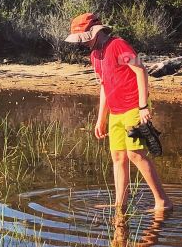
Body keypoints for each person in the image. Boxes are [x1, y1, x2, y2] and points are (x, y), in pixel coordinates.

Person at [65, 12, 171, 212]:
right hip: (115, 111)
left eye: (85, 38)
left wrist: (143, 106)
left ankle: (162, 201)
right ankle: (120, 204)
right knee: (118, 157)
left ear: (96, 32)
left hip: (133, 107)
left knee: (135, 154)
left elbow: (140, 70)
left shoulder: (118, 45)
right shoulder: (94, 55)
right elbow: (104, 86)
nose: (83, 43)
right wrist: (101, 119)